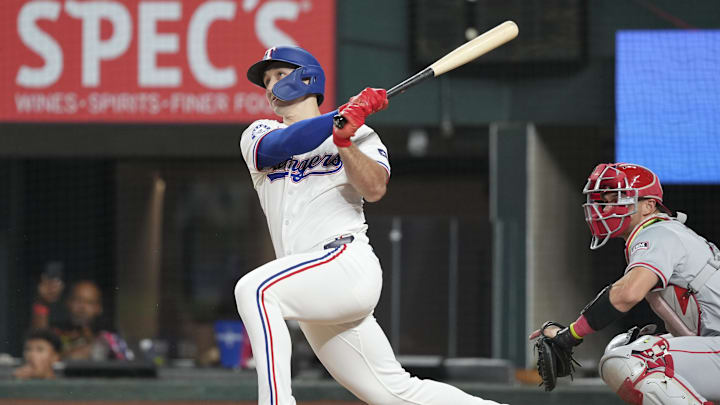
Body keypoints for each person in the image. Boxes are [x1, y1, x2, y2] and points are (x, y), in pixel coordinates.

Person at [235, 46, 507, 405]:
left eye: (279, 75)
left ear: (308, 77)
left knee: (255, 290)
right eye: (265, 81)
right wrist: (341, 117)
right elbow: (286, 143)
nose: (270, 87)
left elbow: (375, 188)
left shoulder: (360, 134)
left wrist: (344, 138)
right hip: (308, 286)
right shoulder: (259, 133)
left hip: (345, 263)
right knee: (394, 393)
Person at [531, 163, 720, 404]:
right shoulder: (668, 233)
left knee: (630, 361)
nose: (607, 208)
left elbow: (627, 294)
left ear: (649, 205)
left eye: (618, 199)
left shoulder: (658, 233)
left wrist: (570, 334)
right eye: (605, 201)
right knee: (627, 347)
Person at [52, 280, 131, 361]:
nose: (82, 307)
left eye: (89, 302)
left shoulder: (110, 336)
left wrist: (90, 339)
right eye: (78, 300)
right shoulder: (55, 332)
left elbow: (124, 361)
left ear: (99, 308)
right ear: (68, 302)